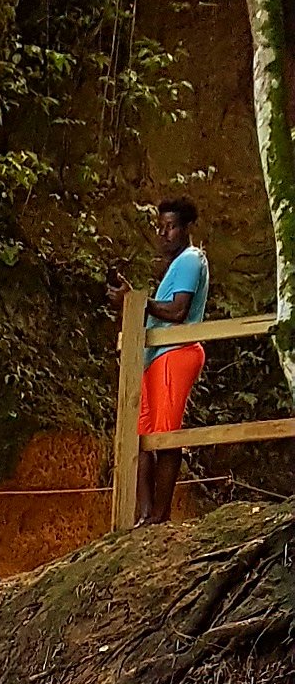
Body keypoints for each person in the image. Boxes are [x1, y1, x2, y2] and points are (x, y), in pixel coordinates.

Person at [126, 197, 211, 527]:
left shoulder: (191, 259)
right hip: (153, 356)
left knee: (165, 435)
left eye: (171, 226)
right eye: (160, 227)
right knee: (142, 436)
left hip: (174, 353)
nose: (164, 233)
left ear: (187, 228)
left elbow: (178, 312)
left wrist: (139, 302)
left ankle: (160, 516)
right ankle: (145, 516)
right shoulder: (175, 266)